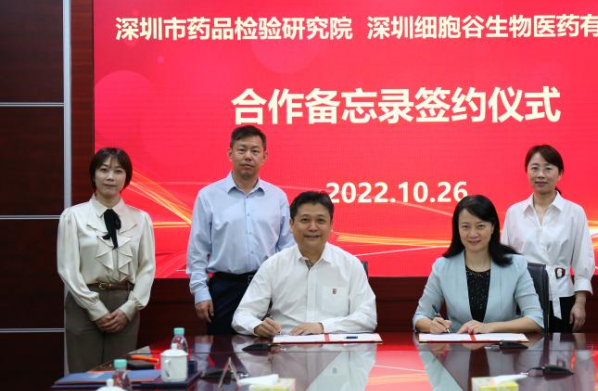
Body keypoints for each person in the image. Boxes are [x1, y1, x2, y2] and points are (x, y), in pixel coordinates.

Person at [187, 125, 293, 335]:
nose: (248, 156)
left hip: (267, 287)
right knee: (223, 350)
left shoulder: (277, 197)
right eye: (242, 150)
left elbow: (287, 247)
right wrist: (200, 292)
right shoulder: (208, 196)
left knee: (268, 348)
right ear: (230, 153)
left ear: (264, 157)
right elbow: (197, 250)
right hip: (225, 287)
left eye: (255, 151)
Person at [57, 148, 155, 372]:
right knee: (85, 377)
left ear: (126, 178)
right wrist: (95, 308)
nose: (111, 177)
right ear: (94, 175)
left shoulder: (141, 219)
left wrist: (129, 308)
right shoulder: (73, 216)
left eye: (118, 171)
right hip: (84, 302)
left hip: (125, 305)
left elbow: (147, 268)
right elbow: (67, 268)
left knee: (120, 376)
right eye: (104, 170)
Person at [232, 191, 377, 336]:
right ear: (291, 224)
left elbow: (367, 317)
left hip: (334, 347)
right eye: (305, 220)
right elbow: (242, 315)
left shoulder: (350, 265)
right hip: (286, 346)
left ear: (331, 225)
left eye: (320, 220)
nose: (313, 227)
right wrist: (257, 326)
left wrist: (322, 327)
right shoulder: (273, 265)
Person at [413, 195, 543, 335]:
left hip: (502, 347)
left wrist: (490, 327)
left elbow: (535, 320)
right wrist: (431, 326)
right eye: (466, 227)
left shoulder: (515, 265)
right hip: (458, 347)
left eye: (480, 226)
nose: (473, 234)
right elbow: (420, 317)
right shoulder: (442, 267)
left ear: (492, 227)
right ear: (457, 229)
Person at [501, 145, 595, 333]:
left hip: (562, 296)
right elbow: (505, 262)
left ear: (560, 174)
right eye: (535, 168)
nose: (540, 175)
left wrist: (580, 303)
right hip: (523, 297)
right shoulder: (514, 212)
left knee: (560, 350)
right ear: (527, 172)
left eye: (548, 169)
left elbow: (583, 260)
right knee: (525, 351)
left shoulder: (574, 212)